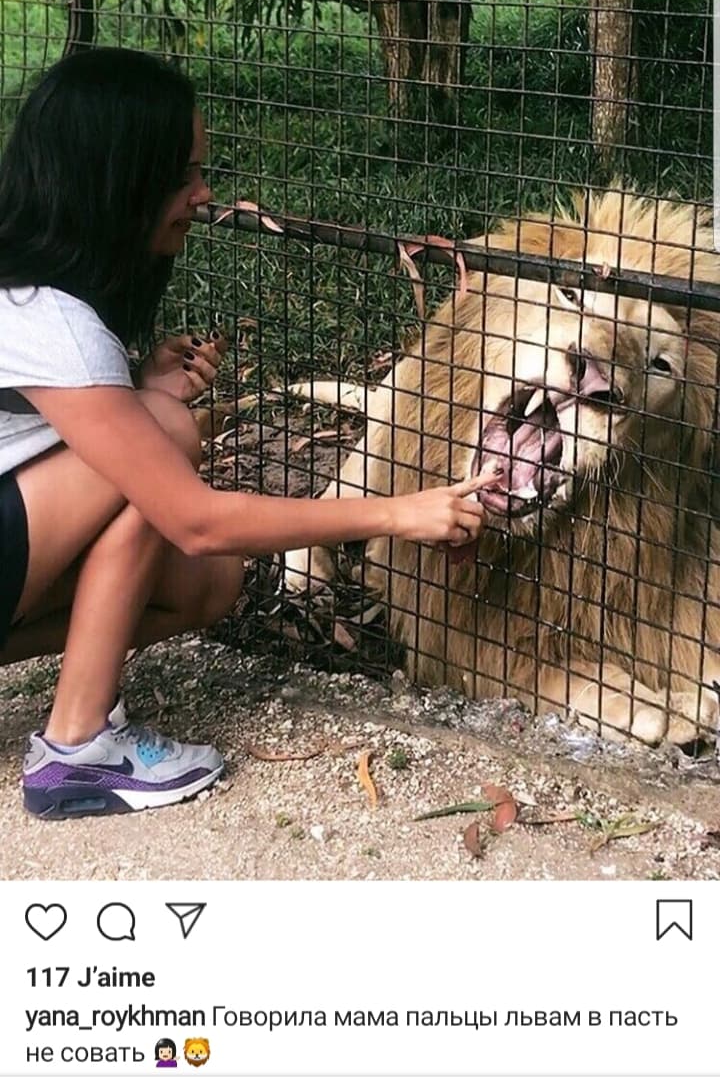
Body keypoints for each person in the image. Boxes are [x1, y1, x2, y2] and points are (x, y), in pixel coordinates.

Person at [0, 48, 494, 820]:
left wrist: (130, 391)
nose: (204, 194)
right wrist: (401, 512)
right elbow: (194, 520)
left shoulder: (27, 293)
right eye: (186, 173)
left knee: (210, 584)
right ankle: (77, 752)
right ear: (121, 178)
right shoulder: (49, 319)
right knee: (164, 441)